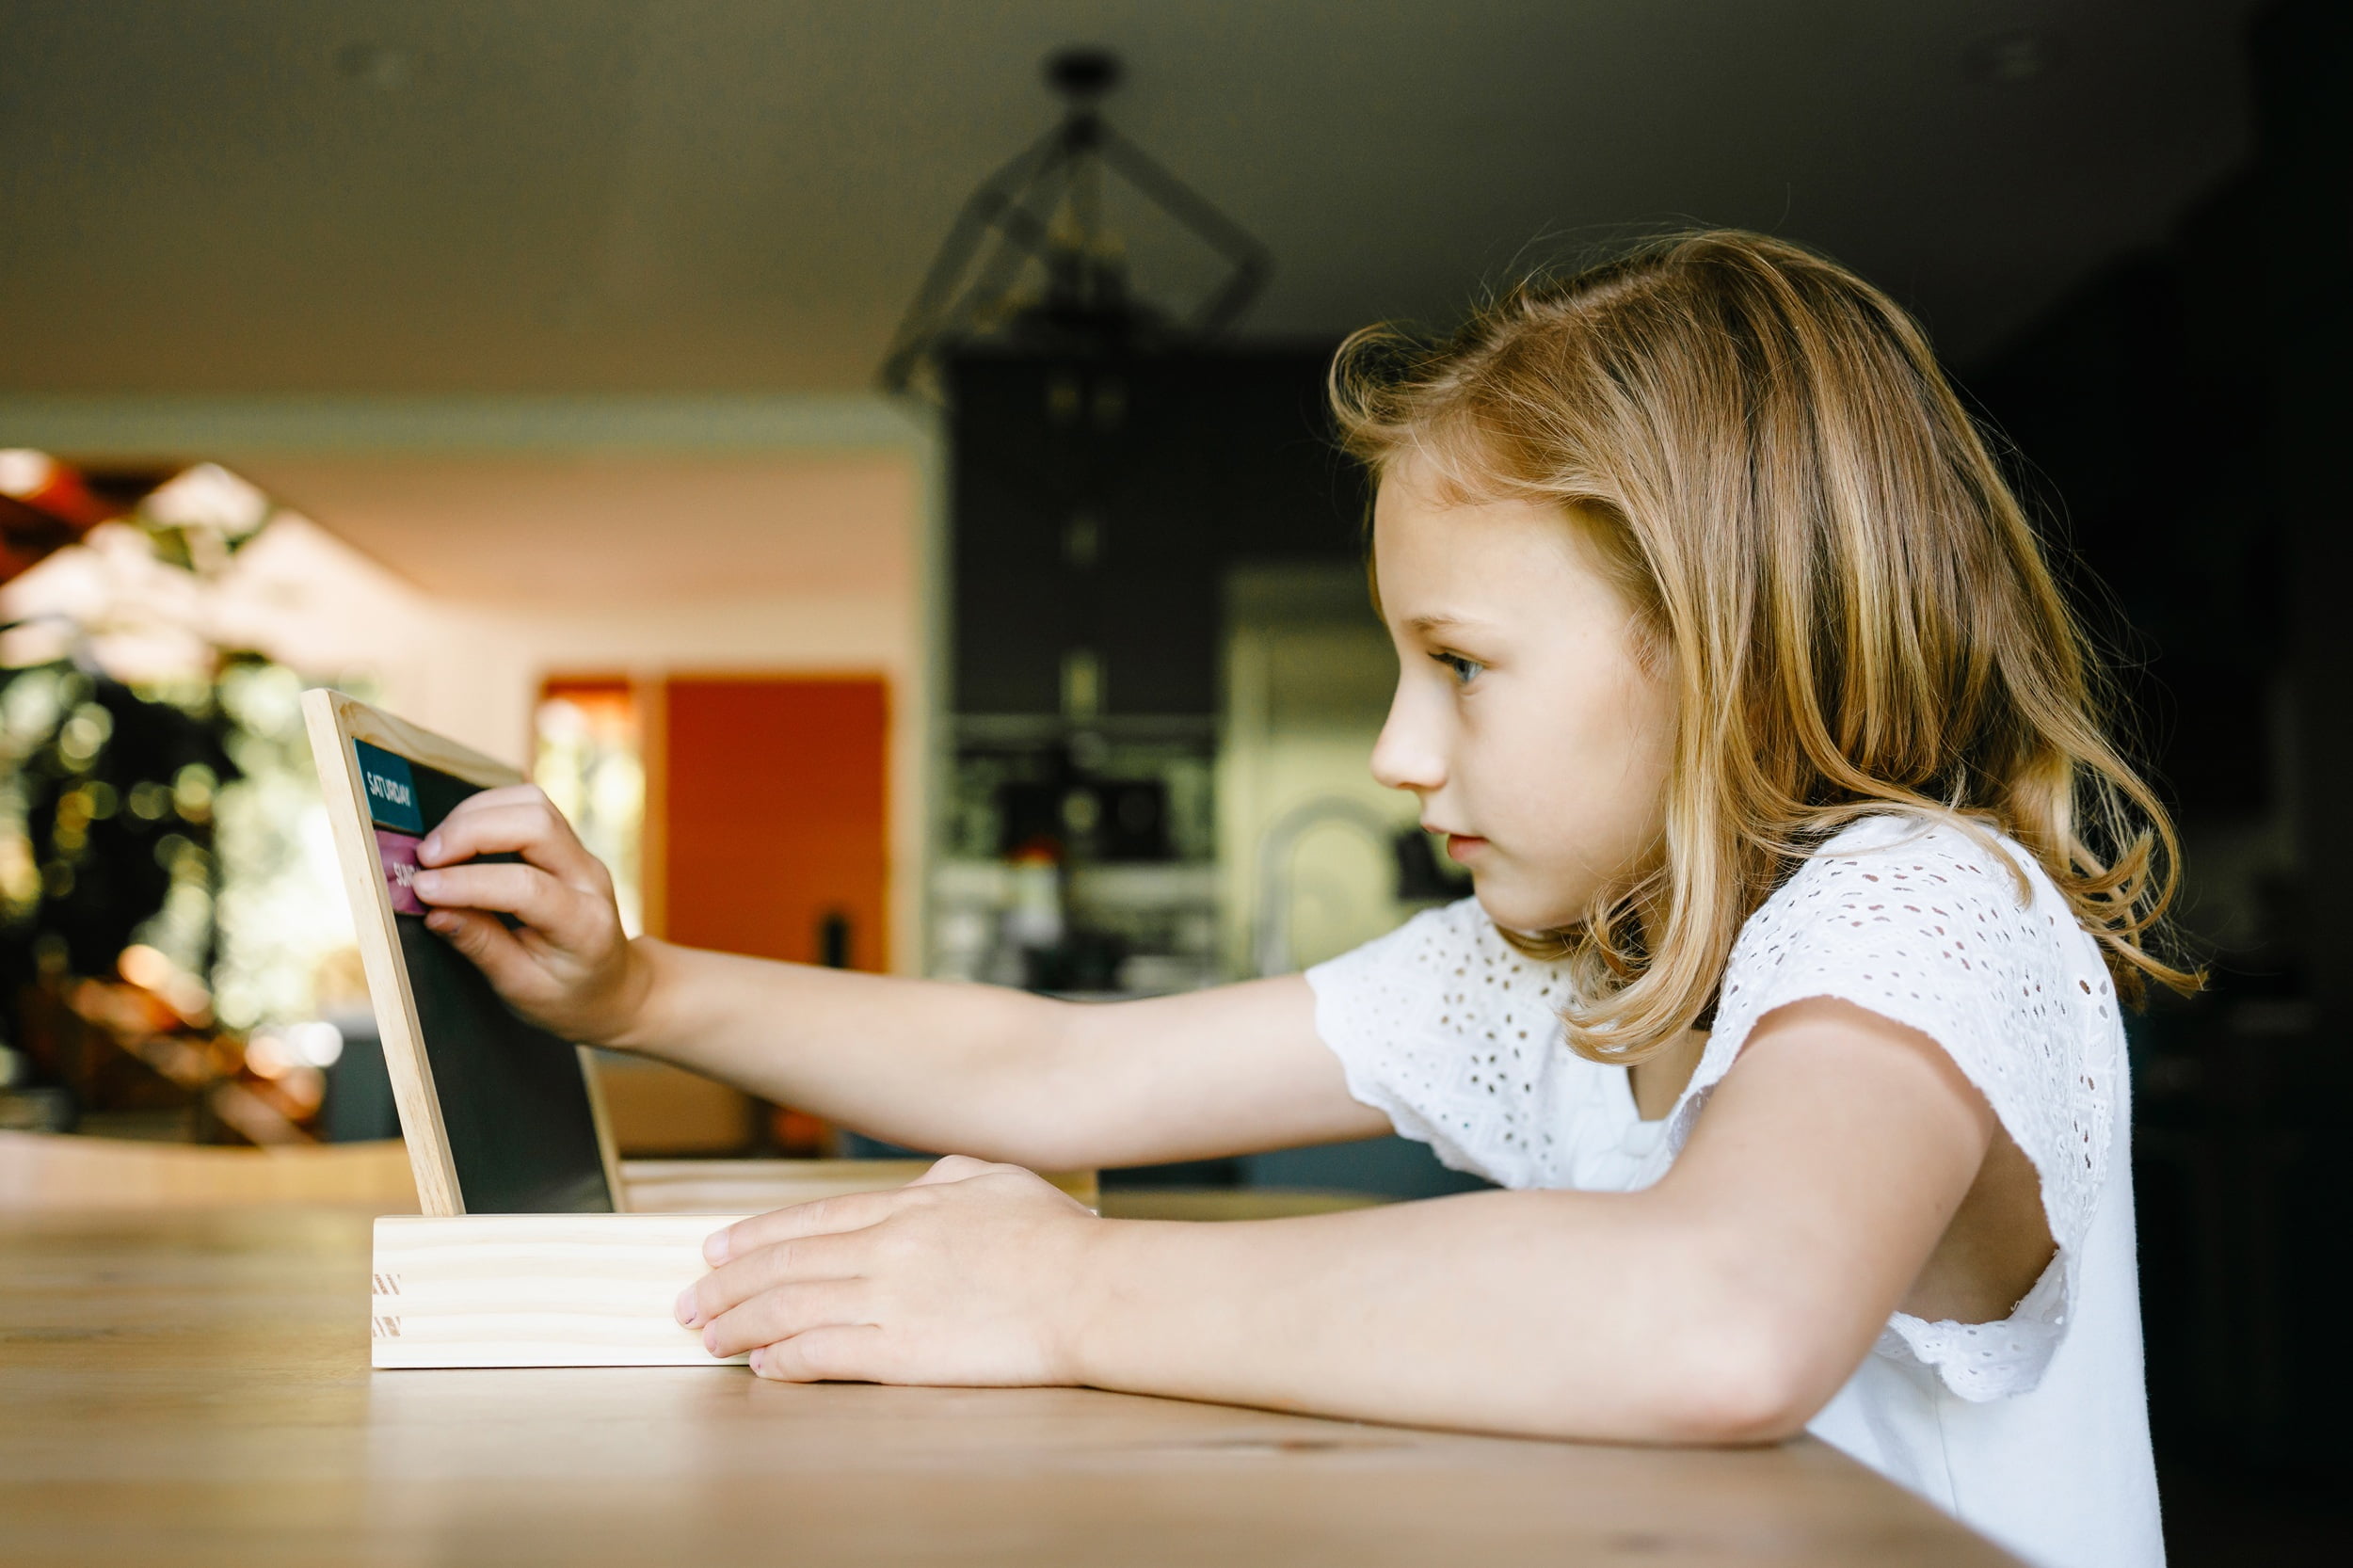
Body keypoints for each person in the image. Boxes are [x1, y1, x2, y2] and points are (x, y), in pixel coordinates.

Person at [412, 231, 2192, 1568]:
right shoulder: (1567, 975)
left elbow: (1718, 1317)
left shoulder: (1926, 904)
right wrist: (635, 990)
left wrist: (1068, 1291)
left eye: (1463, 663)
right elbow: (1061, 1075)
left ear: (1721, 645)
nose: (1402, 751)